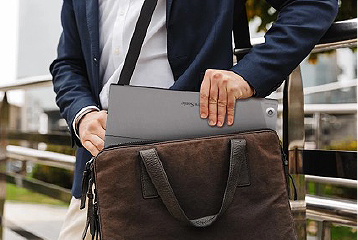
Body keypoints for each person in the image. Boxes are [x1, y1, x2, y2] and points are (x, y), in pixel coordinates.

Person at [50, 0, 337, 238]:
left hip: (198, 173)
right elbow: (68, 62)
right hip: (99, 172)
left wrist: (250, 74)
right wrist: (83, 115)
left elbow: (312, 3)